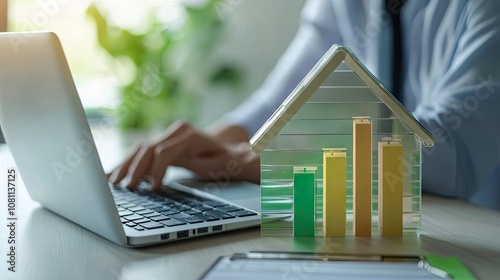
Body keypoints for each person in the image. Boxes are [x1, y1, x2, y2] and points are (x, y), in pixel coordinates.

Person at [109, 0, 500, 211]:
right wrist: (191, 150)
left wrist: (262, 160)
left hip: (474, 241)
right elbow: (275, 107)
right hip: (389, 224)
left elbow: (452, 156)